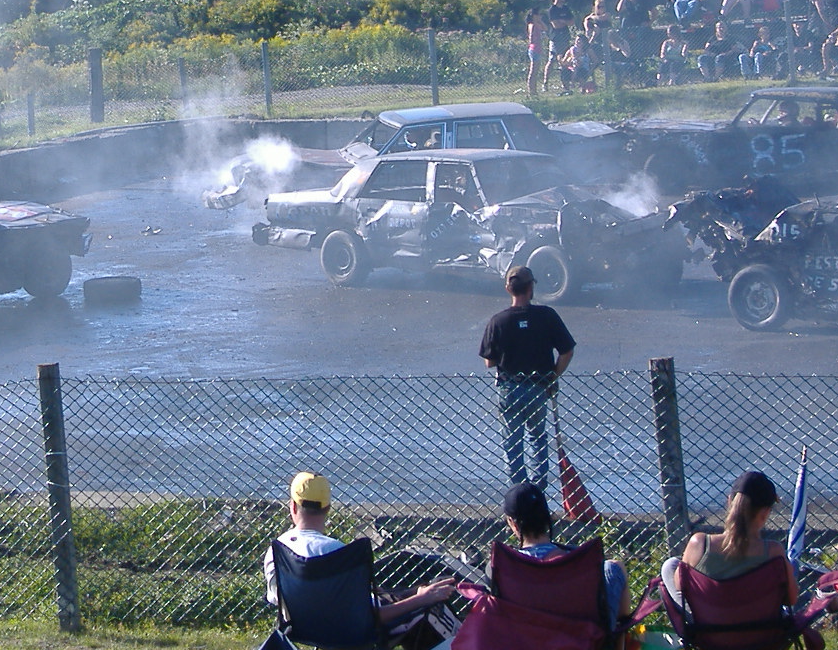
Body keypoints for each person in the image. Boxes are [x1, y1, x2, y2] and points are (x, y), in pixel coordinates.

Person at [263, 471, 459, 648]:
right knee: (432, 607)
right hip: (351, 634)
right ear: (328, 508)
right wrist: (422, 599)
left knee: (399, 593)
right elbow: (370, 617)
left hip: (302, 630)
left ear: (293, 506)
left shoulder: (276, 552)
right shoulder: (338, 554)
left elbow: (278, 601)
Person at [480, 265, 575, 487]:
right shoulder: (547, 316)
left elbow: (489, 361)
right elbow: (567, 351)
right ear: (531, 287)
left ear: (508, 289)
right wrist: (552, 375)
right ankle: (538, 490)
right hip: (538, 387)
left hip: (510, 388)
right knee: (538, 440)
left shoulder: (498, 321)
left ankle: (520, 493)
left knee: (512, 444)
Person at [501, 481, 630, 629]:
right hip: (582, 642)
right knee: (613, 568)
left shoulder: (504, 567)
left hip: (524, 641)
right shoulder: (579, 562)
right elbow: (622, 617)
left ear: (513, 523)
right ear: (547, 517)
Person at [664, 470, 797, 603]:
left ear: (729, 501)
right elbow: (791, 599)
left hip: (708, 621)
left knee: (671, 565)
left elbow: (680, 586)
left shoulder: (700, 544)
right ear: (765, 512)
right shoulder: (774, 552)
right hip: (762, 622)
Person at [543, 0, 575, 93]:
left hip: (565, 37)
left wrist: (562, 21)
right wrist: (564, 22)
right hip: (555, 38)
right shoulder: (552, 10)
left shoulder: (566, 8)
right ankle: (545, 83)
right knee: (552, 60)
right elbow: (555, 25)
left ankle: (565, 84)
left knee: (565, 61)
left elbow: (572, 22)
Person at [524, 9, 546, 97]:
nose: (540, 16)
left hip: (537, 48)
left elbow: (545, 28)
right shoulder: (532, 25)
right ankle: (531, 91)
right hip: (535, 49)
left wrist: (540, 21)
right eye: (538, 15)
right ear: (534, 16)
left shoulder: (536, 24)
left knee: (535, 71)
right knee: (533, 71)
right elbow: (531, 38)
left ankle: (534, 90)